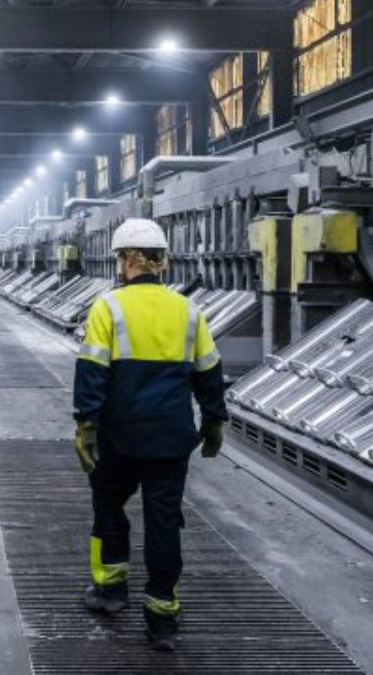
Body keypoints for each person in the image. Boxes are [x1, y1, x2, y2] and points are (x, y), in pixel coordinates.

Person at [72, 218, 228, 652]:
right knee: (164, 521)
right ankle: (162, 618)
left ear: (126, 260)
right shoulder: (188, 310)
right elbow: (209, 371)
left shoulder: (108, 307)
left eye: (119, 259)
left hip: (119, 436)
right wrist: (214, 419)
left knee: (108, 505)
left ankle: (111, 591)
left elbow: (92, 371)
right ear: (161, 262)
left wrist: (85, 424)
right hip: (172, 439)